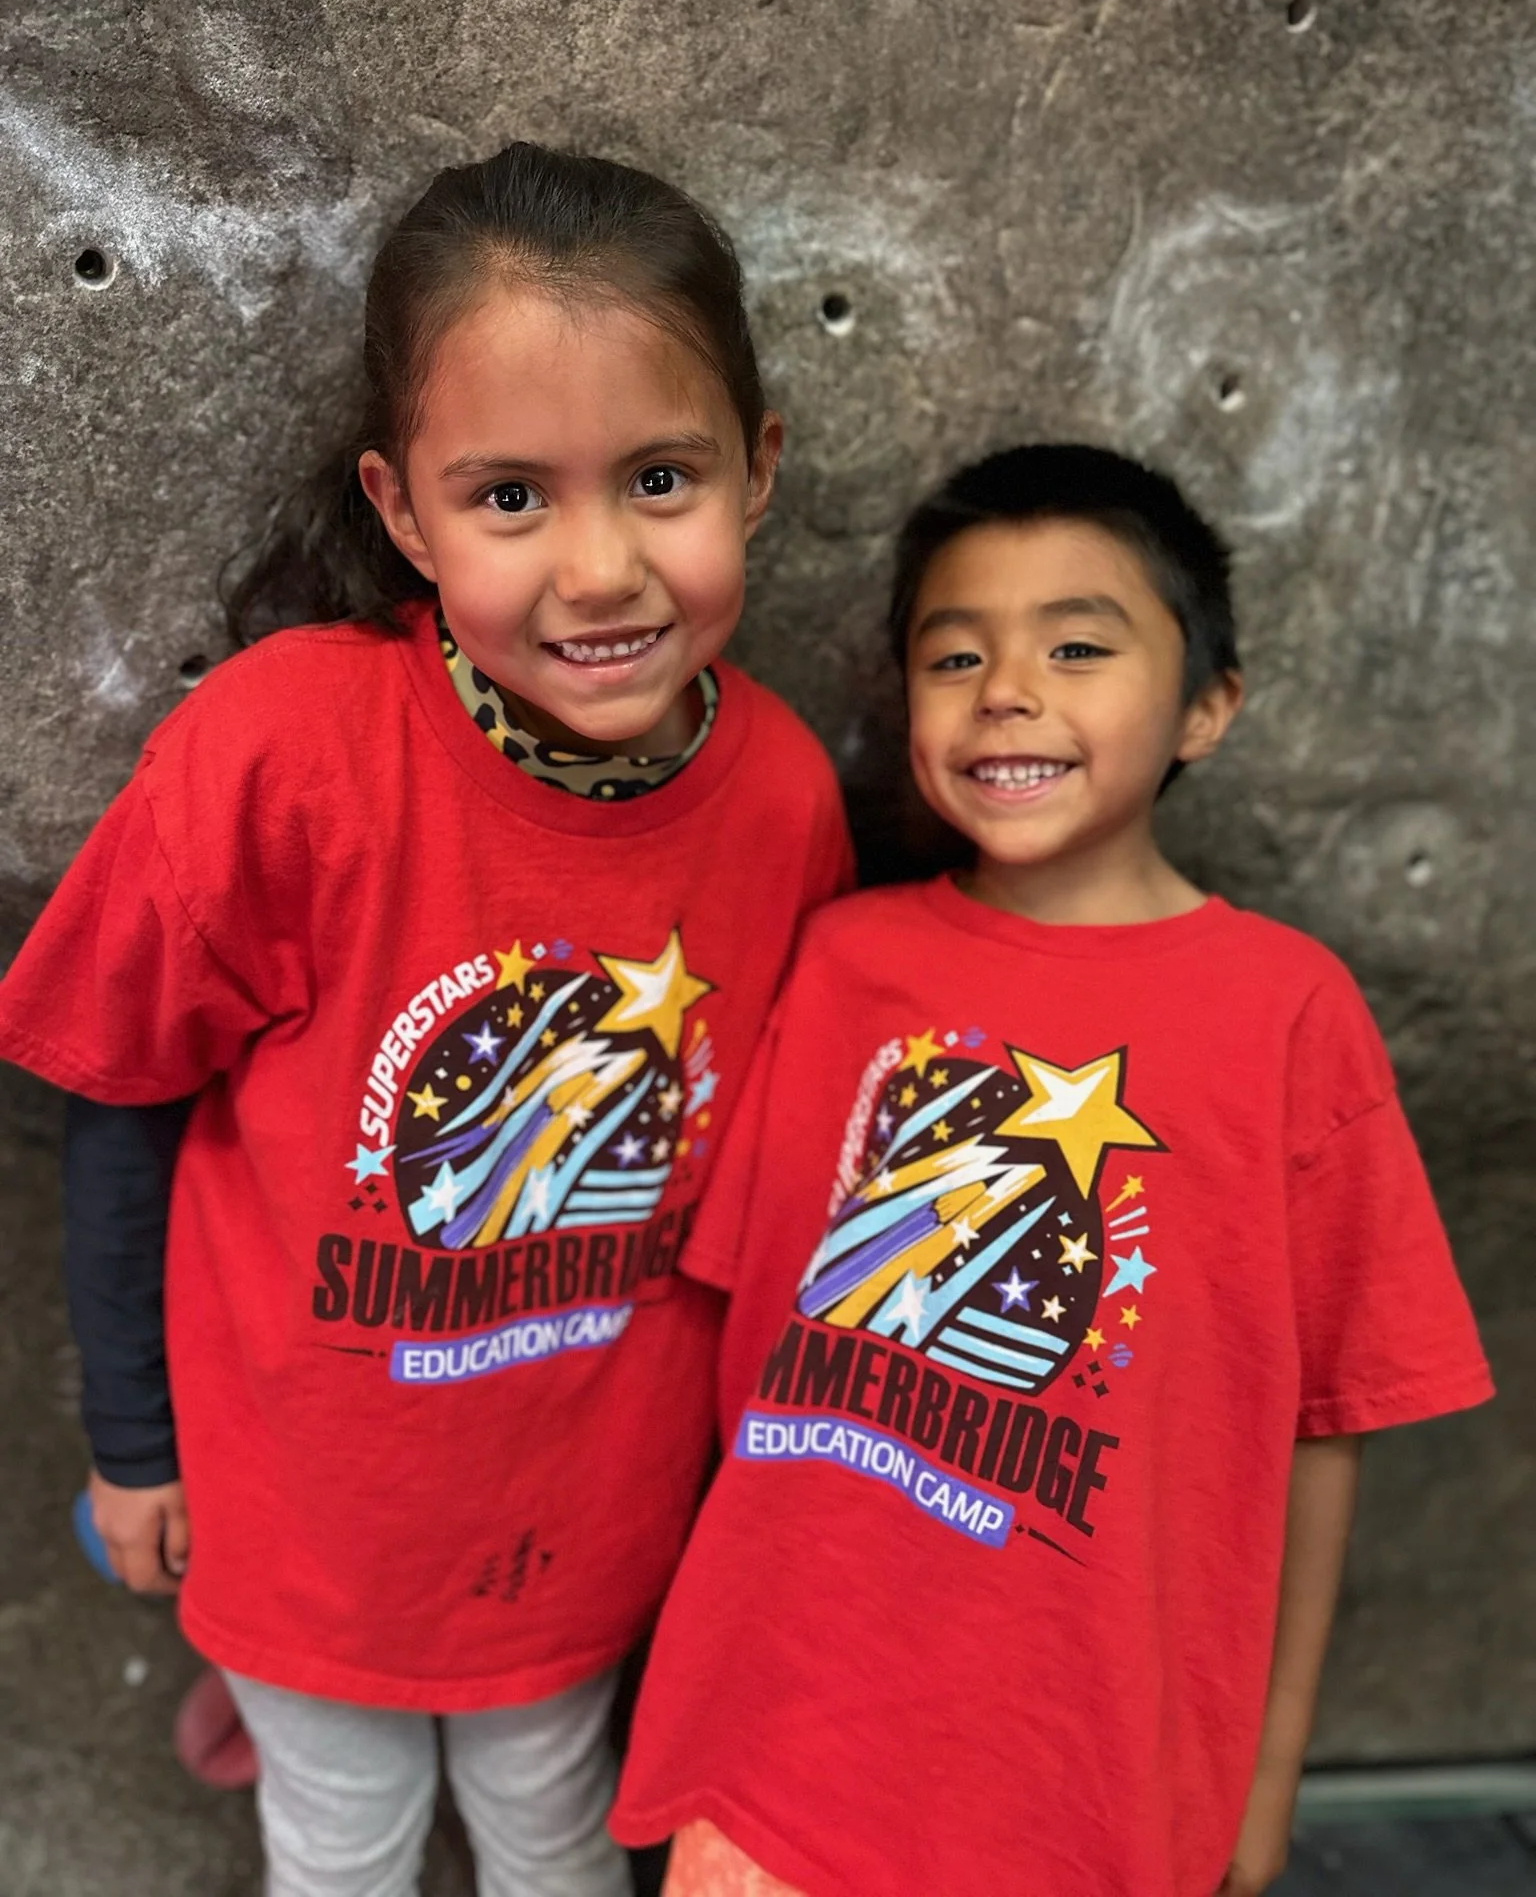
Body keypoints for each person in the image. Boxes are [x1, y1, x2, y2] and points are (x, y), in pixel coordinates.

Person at [0, 142, 853, 1897]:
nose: (601, 566)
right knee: (341, 1845)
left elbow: (781, 1186)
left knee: (558, 1822)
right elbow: (121, 1095)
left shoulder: (777, 797)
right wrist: (136, 1447)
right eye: (512, 497)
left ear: (758, 473)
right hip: (310, 1514)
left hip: (596, 1509)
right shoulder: (284, 752)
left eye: (662, 477)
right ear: (403, 511)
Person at [608, 445, 1494, 1897]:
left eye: (1078, 646)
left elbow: (1325, 1424)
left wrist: (1268, 1777)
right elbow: (723, 1348)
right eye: (955, 655)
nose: (1007, 689)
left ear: (1209, 704)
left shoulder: (1285, 1014)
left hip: (1077, 1785)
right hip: (780, 1753)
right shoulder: (843, 962)